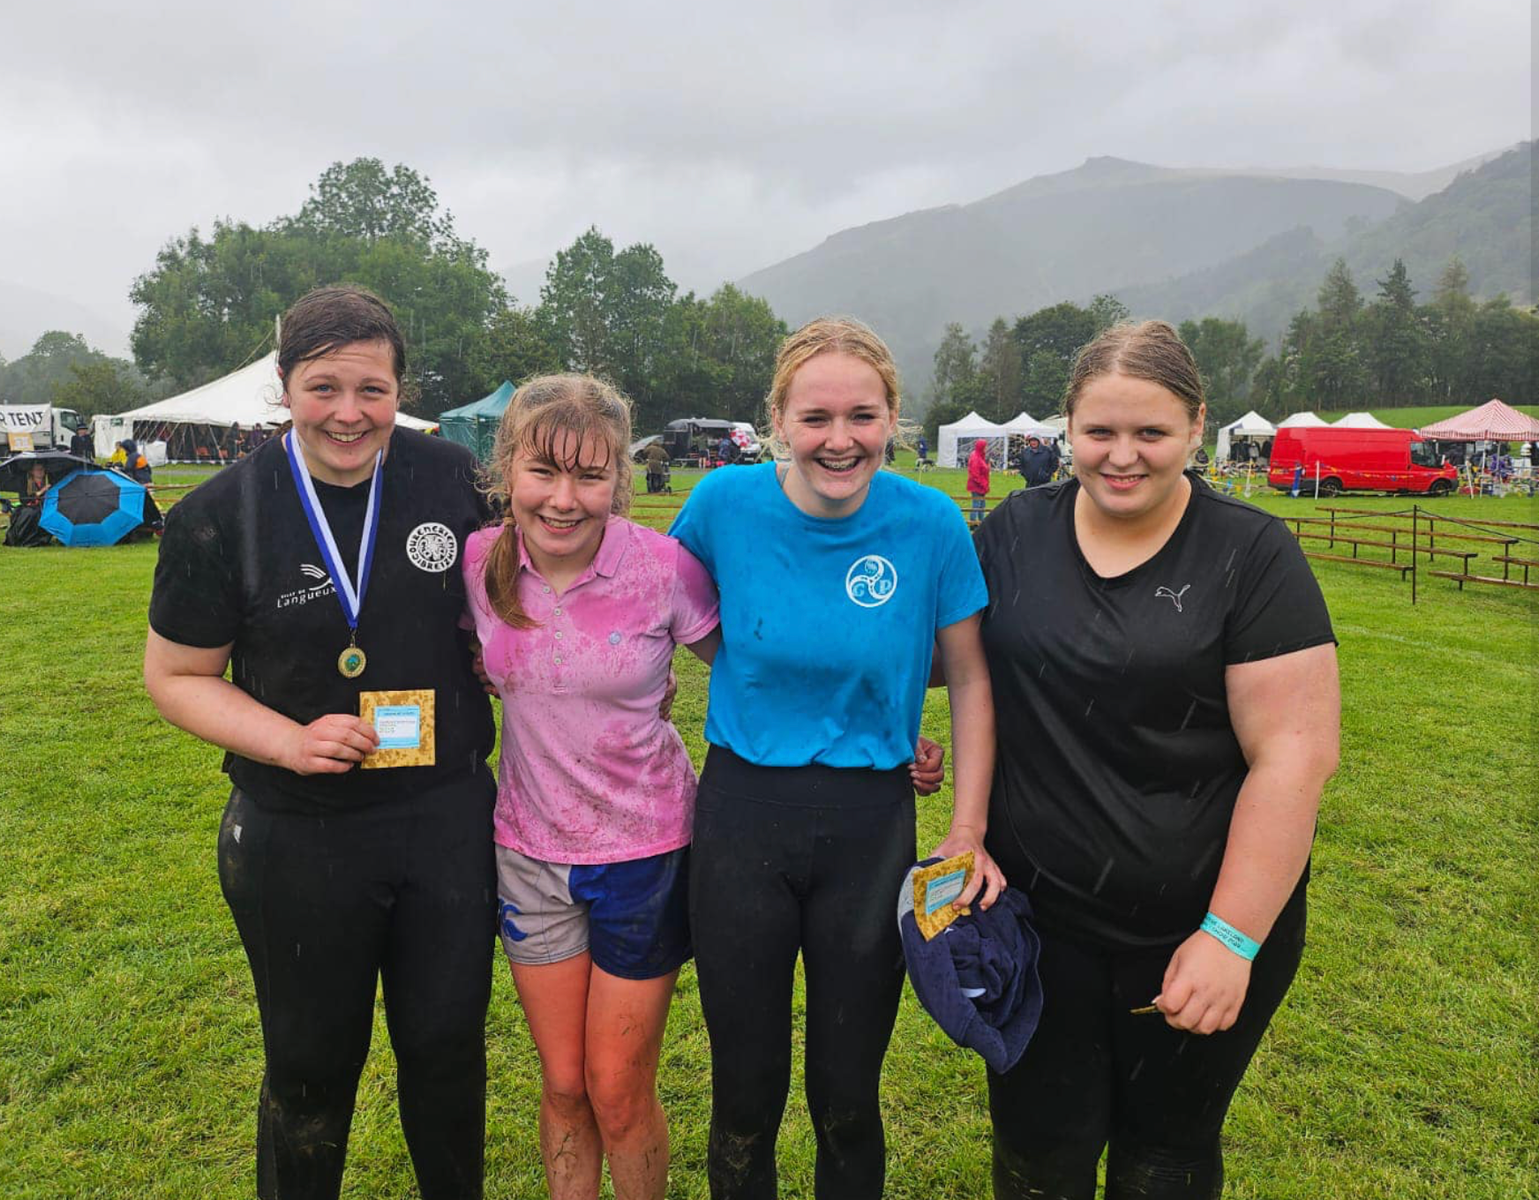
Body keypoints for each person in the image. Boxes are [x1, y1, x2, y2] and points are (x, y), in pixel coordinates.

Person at [143, 286, 498, 1200]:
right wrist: (289, 741)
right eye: (323, 387)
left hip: (445, 820)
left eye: (372, 389)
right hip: (298, 830)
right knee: (308, 1071)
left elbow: (521, 604)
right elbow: (176, 678)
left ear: (400, 389)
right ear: (283, 386)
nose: (349, 413)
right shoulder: (218, 516)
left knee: (447, 1055)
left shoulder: (455, 480)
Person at [973, 320, 1340, 1200]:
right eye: (1099, 432)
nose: (1121, 457)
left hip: (1196, 924)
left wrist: (1229, 936)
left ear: (1197, 427)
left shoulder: (1250, 554)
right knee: (1036, 1152)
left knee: (1164, 1156)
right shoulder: (1012, 534)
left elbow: (1294, 755)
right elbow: (941, 664)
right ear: (1067, 430)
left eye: (1151, 433)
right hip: (1037, 921)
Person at [670, 316, 1005, 1199]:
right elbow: (669, 619)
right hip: (742, 821)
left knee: (847, 1098)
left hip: (872, 828)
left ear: (893, 416)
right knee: (744, 1096)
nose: (838, 439)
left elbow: (969, 680)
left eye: (861, 415)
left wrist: (965, 827)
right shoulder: (720, 505)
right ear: (777, 420)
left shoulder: (930, 522)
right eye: (814, 418)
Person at [462, 375, 720, 1200]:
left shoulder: (664, 567)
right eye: (543, 472)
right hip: (529, 857)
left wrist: (882, 739)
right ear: (507, 471)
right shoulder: (477, 563)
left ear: (621, 478)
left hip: (644, 855)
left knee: (616, 1088)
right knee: (565, 1082)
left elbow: (757, 675)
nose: (565, 500)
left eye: (591, 476)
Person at [966, 436, 991, 525]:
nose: (987, 448)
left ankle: (981, 523)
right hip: (977, 486)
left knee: (981, 505)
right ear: (982, 447)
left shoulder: (979, 455)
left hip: (981, 485)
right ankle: (973, 523)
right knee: (976, 505)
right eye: (985, 447)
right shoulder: (975, 458)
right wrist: (984, 484)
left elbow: (982, 469)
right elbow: (975, 475)